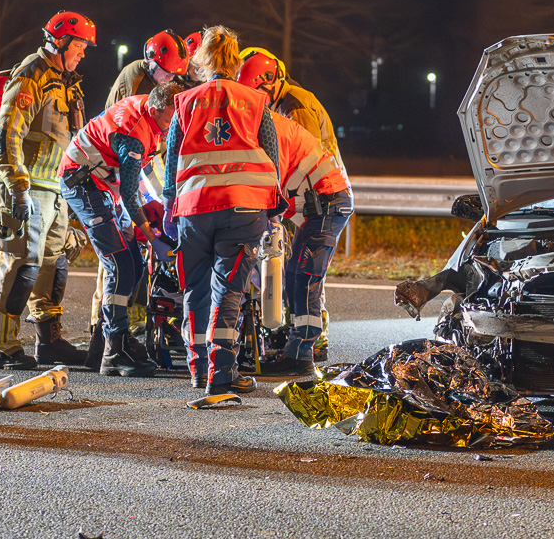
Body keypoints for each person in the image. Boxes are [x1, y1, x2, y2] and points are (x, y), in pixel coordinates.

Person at [165, 26, 281, 405]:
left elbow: (171, 165)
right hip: (244, 209)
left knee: (195, 288)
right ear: (236, 60)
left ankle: (198, 371)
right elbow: (271, 159)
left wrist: (172, 205)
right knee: (229, 291)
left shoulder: (184, 101)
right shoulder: (256, 101)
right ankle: (222, 375)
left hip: (194, 210)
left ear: (201, 61)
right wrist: (274, 212)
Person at [0, 11, 94, 369]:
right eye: (79, 46)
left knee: (53, 265)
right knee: (21, 267)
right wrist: (17, 188)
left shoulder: (68, 83)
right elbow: (6, 135)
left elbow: (75, 141)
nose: (82, 54)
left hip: (55, 190)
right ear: (59, 42)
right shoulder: (31, 75)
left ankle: (49, 342)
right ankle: (2, 346)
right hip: (27, 188)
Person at [239, 53, 353, 376]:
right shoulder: (269, 116)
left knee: (304, 276)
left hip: (323, 200)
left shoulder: (287, 113)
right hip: (315, 200)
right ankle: (299, 346)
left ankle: (303, 353)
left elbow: (271, 180)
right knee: (296, 273)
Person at [61, 81, 180, 375]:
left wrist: (154, 205)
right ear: (154, 110)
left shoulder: (150, 108)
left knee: (135, 266)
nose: (172, 125)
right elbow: (128, 192)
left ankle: (107, 345)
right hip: (82, 181)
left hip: (100, 182)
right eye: (168, 120)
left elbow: (141, 174)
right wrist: (153, 236)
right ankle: (114, 351)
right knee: (119, 264)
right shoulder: (134, 136)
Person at [238, 47, 343, 168]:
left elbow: (309, 159)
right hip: (312, 182)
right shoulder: (277, 105)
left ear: (270, 80)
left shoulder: (296, 106)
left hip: (321, 183)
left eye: (255, 92)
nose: (254, 99)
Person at [105, 29, 190, 107]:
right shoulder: (138, 85)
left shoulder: (151, 76)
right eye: (167, 72)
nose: (170, 78)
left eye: (173, 74)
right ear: (151, 62)